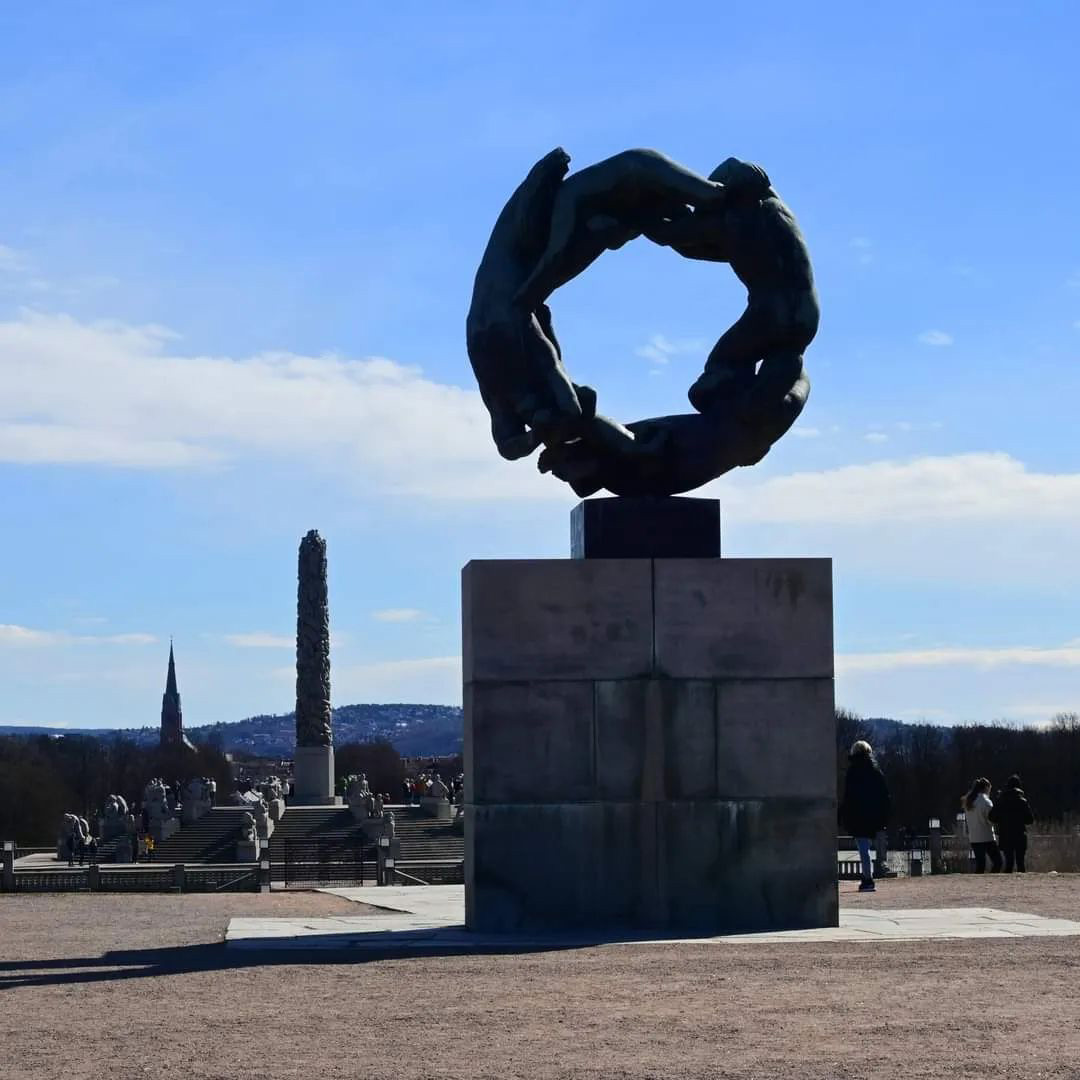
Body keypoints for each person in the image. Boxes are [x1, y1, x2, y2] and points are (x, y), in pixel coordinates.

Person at [839, 740, 891, 892]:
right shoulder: (876, 770)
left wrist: (843, 813)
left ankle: (868, 879)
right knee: (867, 847)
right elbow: (884, 794)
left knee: (863, 847)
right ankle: (868, 877)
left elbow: (848, 796)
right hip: (873, 814)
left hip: (858, 813)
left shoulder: (853, 771)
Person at [990, 774, 1035, 873]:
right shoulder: (1022, 801)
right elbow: (1030, 820)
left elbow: (992, 817)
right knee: (1020, 863)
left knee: (1009, 863)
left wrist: (1001, 820)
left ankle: (1007, 885)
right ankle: (1022, 885)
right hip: (1020, 834)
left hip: (1005, 834)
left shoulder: (1001, 800)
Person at [962, 778, 1002, 873]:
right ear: (986, 788)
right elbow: (991, 820)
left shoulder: (969, 802)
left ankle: (978, 884)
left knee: (980, 864)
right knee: (997, 862)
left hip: (974, 837)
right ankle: (991, 880)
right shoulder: (986, 802)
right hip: (987, 836)